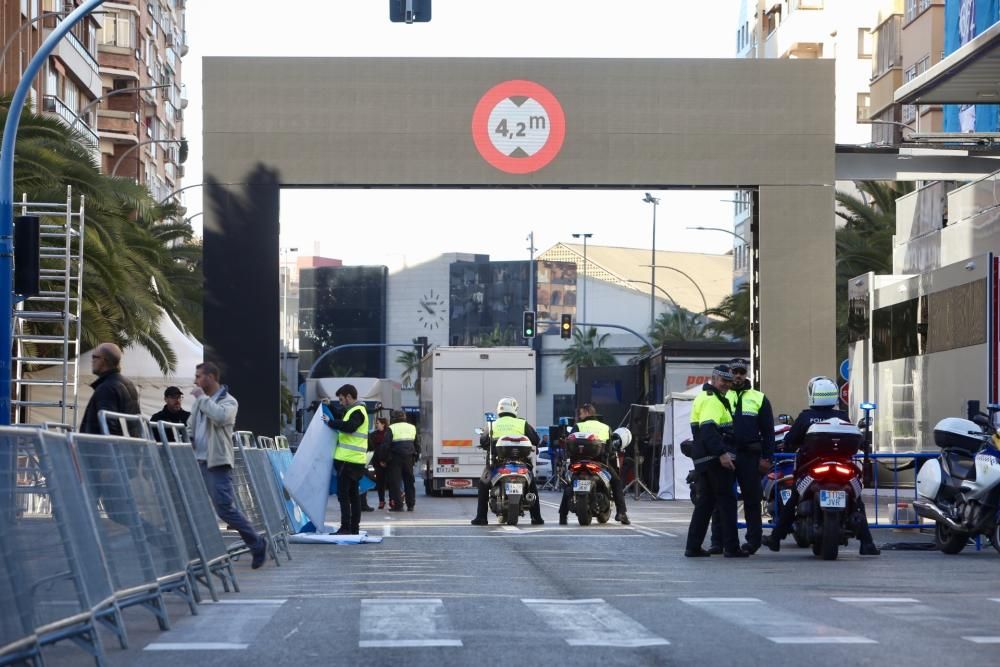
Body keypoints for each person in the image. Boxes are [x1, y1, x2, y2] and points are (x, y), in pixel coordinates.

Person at [762, 377, 880, 556]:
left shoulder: (805, 417)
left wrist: (790, 447)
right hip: (842, 468)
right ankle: (867, 544)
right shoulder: (841, 417)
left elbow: (790, 442)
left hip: (811, 468)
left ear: (812, 395)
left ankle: (776, 538)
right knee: (857, 501)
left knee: (793, 499)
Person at [187, 362, 268, 569]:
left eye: (199, 376)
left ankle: (257, 543)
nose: (195, 381)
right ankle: (198, 554)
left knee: (225, 509)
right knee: (194, 507)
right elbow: (191, 424)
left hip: (217, 462)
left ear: (211, 377)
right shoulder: (200, 402)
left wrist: (202, 398)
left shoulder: (228, 402)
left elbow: (221, 417)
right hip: (198, 460)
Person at [708, 358, 774, 554]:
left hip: (749, 455)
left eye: (741, 372)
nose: (737, 376)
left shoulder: (759, 398)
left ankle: (753, 542)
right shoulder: (720, 396)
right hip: (725, 454)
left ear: (746, 374)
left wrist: (767, 458)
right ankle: (718, 541)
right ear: (728, 373)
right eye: (734, 372)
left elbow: (768, 432)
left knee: (752, 499)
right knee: (722, 499)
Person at [684, 365, 748, 558]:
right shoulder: (712, 401)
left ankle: (693, 547)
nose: (727, 385)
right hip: (715, 460)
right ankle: (731, 547)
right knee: (727, 502)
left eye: (729, 381)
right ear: (713, 379)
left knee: (705, 504)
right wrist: (722, 454)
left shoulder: (709, 398)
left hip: (705, 459)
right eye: (723, 380)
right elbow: (708, 430)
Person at [471, 396, 545, 526]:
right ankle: (536, 517)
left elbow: (483, 441)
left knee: (483, 484)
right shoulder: (522, 423)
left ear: (499, 409)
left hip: (497, 463)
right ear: (514, 409)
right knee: (531, 485)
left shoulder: (492, 424)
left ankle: (481, 517)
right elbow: (536, 440)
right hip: (521, 462)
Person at [558, 403, 630, 526]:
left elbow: (569, 444)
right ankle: (621, 513)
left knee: (569, 485)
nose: (579, 416)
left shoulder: (578, 426)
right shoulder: (605, 427)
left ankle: (563, 516)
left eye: (581, 413)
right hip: (599, 463)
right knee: (616, 482)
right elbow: (611, 449)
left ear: (587, 412)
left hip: (578, 463)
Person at [322, 384, 370, 535]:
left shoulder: (357, 412)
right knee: (354, 496)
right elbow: (343, 418)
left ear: (349, 396)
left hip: (348, 462)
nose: (341, 402)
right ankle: (353, 528)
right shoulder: (355, 411)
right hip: (354, 462)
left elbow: (349, 426)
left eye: (342, 399)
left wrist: (330, 422)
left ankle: (346, 527)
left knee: (344, 496)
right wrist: (330, 407)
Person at [79, 342, 140, 435]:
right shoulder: (128, 383)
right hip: (127, 447)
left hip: (101, 448)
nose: (92, 361)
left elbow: (108, 427)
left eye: (94, 357)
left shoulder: (107, 388)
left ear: (103, 360)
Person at [386, 411, 417, 512]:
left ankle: (398, 505)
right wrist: (415, 458)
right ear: (404, 417)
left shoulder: (392, 427)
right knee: (409, 481)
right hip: (409, 457)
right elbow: (417, 444)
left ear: (394, 418)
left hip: (395, 458)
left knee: (395, 482)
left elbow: (386, 445)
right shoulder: (412, 427)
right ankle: (411, 505)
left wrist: (383, 459)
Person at [370, 417, 391, 509]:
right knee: (380, 482)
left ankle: (392, 500)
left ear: (383, 424)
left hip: (389, 461)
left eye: (378, 423)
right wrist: (379, 461)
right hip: (377, 462)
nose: (376, 424)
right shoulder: (373, 435)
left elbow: (390, 448)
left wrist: (385, 461)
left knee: (391, 482)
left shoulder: (389, 433)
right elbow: (372, 448)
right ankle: (381, 501)